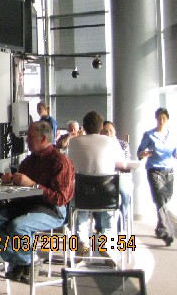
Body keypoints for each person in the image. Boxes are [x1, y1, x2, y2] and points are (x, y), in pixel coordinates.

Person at [0, 121, 74, 283]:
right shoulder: (28, 162)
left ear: (43, 139)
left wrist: (34, 185)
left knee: (19, 226)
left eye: (30, 137)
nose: (26, 140)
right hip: (26, 206)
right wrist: (10, 181)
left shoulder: (60, 162)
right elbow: (21, 189)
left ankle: (24, 262)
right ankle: (24, 261)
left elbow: (61, 198)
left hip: (52, 209)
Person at [67, 111, 126, 263]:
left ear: (84, 127)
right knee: (109, 213)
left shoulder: (74, 142)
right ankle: (107, 243)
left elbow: (70, 165)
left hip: (82, 195)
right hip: (106, 195)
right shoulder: (111, 142)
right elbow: (122, 164)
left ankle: (82, 241)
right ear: (101, 127)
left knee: (80, 210)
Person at [138, 107, 176, 246]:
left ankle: (160, 227)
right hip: (154, 170)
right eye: (159, 118)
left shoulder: (171, 135)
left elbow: (174, 152)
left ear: (167, 120)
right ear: (156, 119)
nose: (161, 121)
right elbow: (140, 152)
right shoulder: (149, 135)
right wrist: (143, 154)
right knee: (160, 199)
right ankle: (167, 232)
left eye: (164, 118)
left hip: (168, 170)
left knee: (165, 199)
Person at [99, 120, 132, 233]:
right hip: (102, 177)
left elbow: (126, 161)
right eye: (105, 131)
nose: (108, 133)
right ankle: (100, 225)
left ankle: (120, 223)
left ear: (115, 131)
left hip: (119, 175)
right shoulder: (98, 144)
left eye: (110, 130)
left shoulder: (122, 144)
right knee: (98, 196)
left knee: (125, 195)